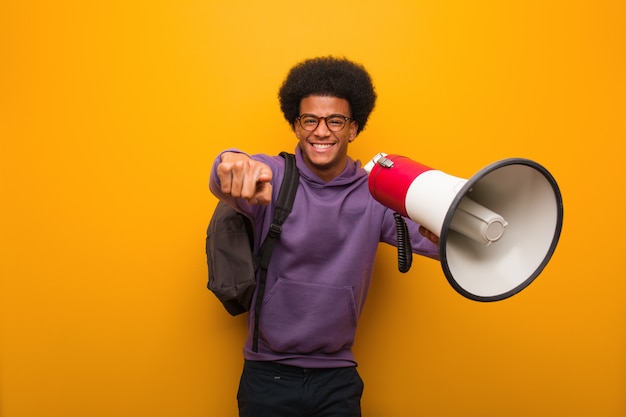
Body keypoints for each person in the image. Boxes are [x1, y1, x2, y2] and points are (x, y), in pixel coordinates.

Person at [209, 56, 440, 417]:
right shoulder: (273, 176)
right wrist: (231, 163)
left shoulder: (377, 193)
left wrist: (456, 225)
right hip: (267, 374)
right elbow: (226, 172)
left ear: (353, 128)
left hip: (338, 379)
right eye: (310, 120)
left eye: (335, 120)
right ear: (296, 126)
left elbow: (441, 243)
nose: (321, 131)